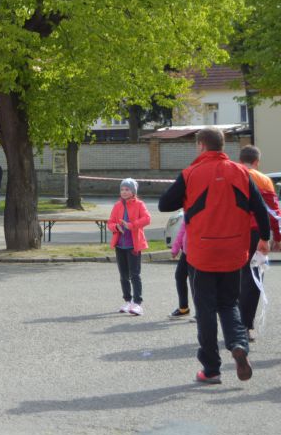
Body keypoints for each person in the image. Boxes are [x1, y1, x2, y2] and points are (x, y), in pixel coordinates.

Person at [159, 128, 270, 385]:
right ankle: (238, 344)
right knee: (229, 304)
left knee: (206, 309)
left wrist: (187, 197)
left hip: (202, 252)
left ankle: (211, 369)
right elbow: (259, 208)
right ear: (223, 145)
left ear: (201, 145)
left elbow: (165, 204)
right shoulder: (241, 172)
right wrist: (264, 238)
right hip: (233, 250)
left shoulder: (190, 174)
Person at [237, 145, 281, 338]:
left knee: (232, 277)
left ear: (240, 160)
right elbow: (274, 212)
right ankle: (246, 326)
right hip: (255, 233)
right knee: (253, 277)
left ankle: (232, 323)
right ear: (257, 162)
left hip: (231, 232)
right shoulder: (264, 180)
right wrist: (277, 238)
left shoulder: (233, 175)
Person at [109, 178, 151, 316]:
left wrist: (131, 225)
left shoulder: (139, 204)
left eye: (127, 189)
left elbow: (147, 219)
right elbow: (110, 223)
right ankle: (127, 301)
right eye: (122, 189)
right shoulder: (117, 205)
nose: (124, 192)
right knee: (123, 276)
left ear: (133, 192)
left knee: (135, 275)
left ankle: (137, 303)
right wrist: (116, 227)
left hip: (133, 245)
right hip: (120, 245)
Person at [169, 219, 192, 319]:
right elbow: (182, 230)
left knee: (197, 282)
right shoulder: (188, 212)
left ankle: (202, 312)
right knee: (179, 276)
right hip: (186, 252)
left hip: (198, 251)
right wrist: (175, 248)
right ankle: (183, 308)